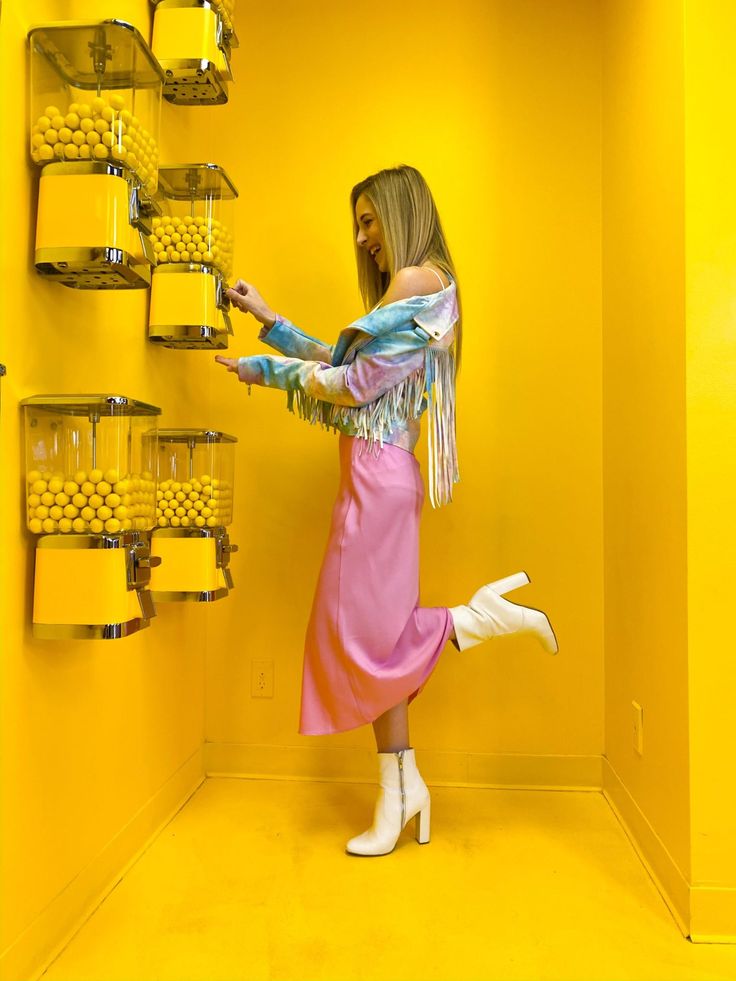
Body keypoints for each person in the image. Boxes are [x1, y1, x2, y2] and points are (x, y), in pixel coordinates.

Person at [215, 164, 558, 857]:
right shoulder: (424, 292)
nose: (364, 237)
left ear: (402, 212)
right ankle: (403, 792)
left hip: (376, 479)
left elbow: (353, 384)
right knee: (368, 638)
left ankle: (479, 618)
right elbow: (347, 370)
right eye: (359, 224)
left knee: (366, 640)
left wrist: (268, 369)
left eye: (371, 220)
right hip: (374, 474)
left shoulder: (417, 283)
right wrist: (268, 324)